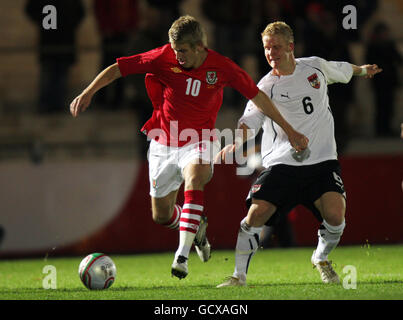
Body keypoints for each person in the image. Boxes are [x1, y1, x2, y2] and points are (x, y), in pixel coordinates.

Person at [70, 16, 308, 280]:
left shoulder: (222, 67)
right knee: (161, 215)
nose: (177, 56)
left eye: (182, 50)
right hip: (163, 140)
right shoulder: (162, 56)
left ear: (198, 47)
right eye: (175, 50)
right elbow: (118, 68)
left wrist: (289, 129)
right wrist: (88, 92)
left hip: (201, 139)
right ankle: (196, 228)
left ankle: (182, 256)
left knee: (195, 178)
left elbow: (258, 96)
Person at [216, 21, 382, 287]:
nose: (271, 53)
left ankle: (321, 257)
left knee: (336, 215)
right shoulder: (265, 86)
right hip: (282, 163)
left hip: (323, 160)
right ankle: (238, 276)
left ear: (291, 47)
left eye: (276, 47)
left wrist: (363, 70)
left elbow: (342, 68)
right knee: (256, 214)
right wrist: (238, 141)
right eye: (267, 48)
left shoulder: (314, 67)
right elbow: (250, 120)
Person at [25, 0, 85, 114]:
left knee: (60, 74)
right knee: (50, 73)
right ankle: (47, 104)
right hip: (51, 40)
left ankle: (57, 105)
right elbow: (31, 10)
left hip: (63, 40)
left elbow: (79, 13)